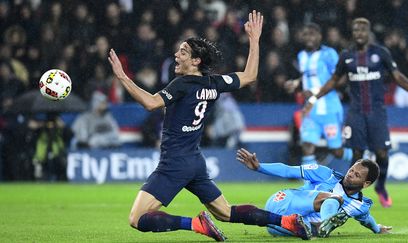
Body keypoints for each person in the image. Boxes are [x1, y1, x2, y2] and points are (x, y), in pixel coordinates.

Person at [108, 11, 311, 241]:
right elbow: (249, 76)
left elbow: (151, 103)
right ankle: (287, 221)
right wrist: (254, 40)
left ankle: (196, 223)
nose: (176, 55)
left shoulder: (181, 85)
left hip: (174, 163)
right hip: (195, 161)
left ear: (196, 61)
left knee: (137, 219)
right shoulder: (214, 83)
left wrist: (123, 77)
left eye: (183, 52)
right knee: (226, 212)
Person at [303, 18, 408, 208]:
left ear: (368, 32)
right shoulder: (346, 55)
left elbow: (397, 76)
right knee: (357, 155)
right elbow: (334, 81)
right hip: (356, 113)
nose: (359, 33)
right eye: (355, 30)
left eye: (362, 30)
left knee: (382, 154)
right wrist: (313, 98)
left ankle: (381, 188)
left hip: (377, 112)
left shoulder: (381, 53)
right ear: (353, 33)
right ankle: (350, 196)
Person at [236, 148, 393, 238]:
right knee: (335, 199)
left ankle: (318, 228)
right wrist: (259, 167)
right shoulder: (324, 173)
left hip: (283, 225)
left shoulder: (359, 205)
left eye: (357, 175)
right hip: (284, 202)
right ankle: (327, 223)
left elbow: (366, 219)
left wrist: (377, 229)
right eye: (351, 170)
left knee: (311, 230)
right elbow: (288, 170)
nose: (350, 174)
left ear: (366, 184)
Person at [284, 23, 353, 166]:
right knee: (307, 146)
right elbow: (306, 77)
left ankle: (363, 157)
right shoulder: (301, 55)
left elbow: (340, 79)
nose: (308, 37)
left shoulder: (329, 54)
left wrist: (315, 92)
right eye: (306, 34)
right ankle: (309, 182)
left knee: (336, 151)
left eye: (312, 34)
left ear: (319, 36)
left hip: (329, 109)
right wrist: (296, 84)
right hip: (310, 111)